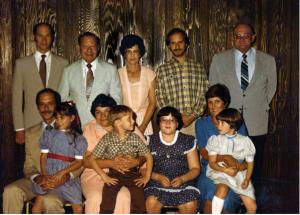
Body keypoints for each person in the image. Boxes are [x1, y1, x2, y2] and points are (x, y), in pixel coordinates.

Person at [209, 23, 277, 184]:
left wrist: (258, 105)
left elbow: (271, 88)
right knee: (229, 162)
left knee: (254, 163)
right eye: (237, 36)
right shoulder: (219, 59)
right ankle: (232, 204)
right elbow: (214, 88)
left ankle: (251, 204)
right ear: (233, 38)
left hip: (256, 120)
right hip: (228, 122)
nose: (241, 39)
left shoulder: (267, 60)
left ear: (253, 37)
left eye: (246, 35)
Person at [3, 88, 80, 213]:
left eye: (50, 103)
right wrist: (38, 178)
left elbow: (80, 164)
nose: (46, 108)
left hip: (63, 181)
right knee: (10, 191)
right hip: (38, 181)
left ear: (57, 105)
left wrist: (65, 177)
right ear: (38, 107)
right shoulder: (31, 133)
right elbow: (28, 167)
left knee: (49, 201)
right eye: (42, 104)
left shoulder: (71, 130)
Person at [81, 94, 147, 213]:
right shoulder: (89, 128)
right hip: (95, 174)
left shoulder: (129, 127)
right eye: (98, 112)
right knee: (96, 198)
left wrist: (137, 162)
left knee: (124, 197)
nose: (103, 116)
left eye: (107, 111)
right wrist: (111, 163)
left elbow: (145, 156)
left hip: (126, 175)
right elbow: (86, 161)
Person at [12, 22, 68, 144]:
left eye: (47, 35)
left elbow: (66, 95)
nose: (44, 39)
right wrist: (19, 128)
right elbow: (16, 99)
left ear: (52, 37)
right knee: (33, 160)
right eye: (40, 35)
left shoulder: (63, 63)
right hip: (31, 125)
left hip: (57, 123)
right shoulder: (22, 64)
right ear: (34, 37)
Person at [195, 84, 248, 213]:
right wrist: (225, 156)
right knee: (209, 197)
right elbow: (205, 155)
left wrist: (236, 167)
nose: (213, 106)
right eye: (210, 102)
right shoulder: (201, 124)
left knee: (227, 199)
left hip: (233, 171)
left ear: (225, 103)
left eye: (217, 101)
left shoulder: (236, 122)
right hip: (209, 171)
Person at [31, 101, 87, 213]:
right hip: (50, 174)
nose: (59, 121)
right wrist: (45, 175)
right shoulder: (49, 134)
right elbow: (43, 157)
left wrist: (63, 172)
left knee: (78, 208)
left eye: (62, 118)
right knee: (36, 208)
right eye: (56, 118)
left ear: (72, 118)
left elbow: (79, 163)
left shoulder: (79, 139)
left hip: (67, 177)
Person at [145, 106, 200, 214]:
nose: (167, 123)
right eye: (164, 120)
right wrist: (158, 177)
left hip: (183, 182)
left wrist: (182, 179)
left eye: (172, 120)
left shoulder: (187, 140)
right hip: (157, 183)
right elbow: (143, 170)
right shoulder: (150, 141)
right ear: (158, 123)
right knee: (151, 201)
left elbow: (195, 168)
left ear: (177, 123)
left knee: (189, 204)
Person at [59, 31, 121, 126]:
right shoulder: (68, 70)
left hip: (102, 126)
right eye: (85, 46)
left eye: (93, 46)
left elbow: (117, 99)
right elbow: (62, 99)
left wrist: (108, 121)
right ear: (78, 48)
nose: (89, 50)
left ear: (98, 48)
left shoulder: (110, 70)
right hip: (76, 127)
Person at [156, 28, 208, 136]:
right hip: (171, 122)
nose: (177, 46)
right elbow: (160, 97)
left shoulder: (198, 68)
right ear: (169, 45)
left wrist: (193, 116)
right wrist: (174, 117)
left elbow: (204, 94)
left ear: (186, 43)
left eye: (180, 42)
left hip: (195, 122)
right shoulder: (162, 70)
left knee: (195, 152)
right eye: (173, 43)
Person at [206, 108, 256, 214]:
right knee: (222, 189)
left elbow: (250, 162)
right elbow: (212, 162)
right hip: (220, 171)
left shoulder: (245, 141)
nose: (218, 125)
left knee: (252, 207)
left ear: (232, 125)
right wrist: (225, 170)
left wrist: (247, 178)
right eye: (218, 122)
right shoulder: (216, 140)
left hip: (239, 174)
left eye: (222, 123)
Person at [118, 34, 156, 135]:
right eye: (129, 52)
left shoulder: (149, 74)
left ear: (140, 53)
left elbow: (152, 103)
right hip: (123, 122)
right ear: (124, 54)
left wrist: (143, 126)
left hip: (145, 122)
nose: (132, 55)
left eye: (135, 51)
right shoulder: (117, 74)